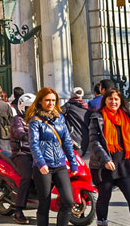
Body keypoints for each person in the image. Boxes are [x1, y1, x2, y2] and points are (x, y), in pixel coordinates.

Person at [88, 88, 130, 226]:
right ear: (105, 101)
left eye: (116, 99)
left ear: (120, 101)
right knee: (104, 198)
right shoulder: (97, 117)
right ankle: (102, 222)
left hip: (126, 166)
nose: (113, 102)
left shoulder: (126, 116)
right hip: (104, 167)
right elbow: (94, 142)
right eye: (110, 99)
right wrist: (106, 160)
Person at [26, 87, 77, 226]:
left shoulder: (60, 118)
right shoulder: (35, 120)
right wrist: (41, 163)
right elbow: (34, 144)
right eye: (47, 100)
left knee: (68, 201)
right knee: (44, 203)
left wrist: (73, 163)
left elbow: (66, 141)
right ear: (40, 101)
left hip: (60, 164)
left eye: (53, 100)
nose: (50, 103)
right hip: (43, 166)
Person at [10, 93, 36, 224]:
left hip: (37, 152)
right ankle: (18, 210)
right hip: (22, 153)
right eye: (29, 108)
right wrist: (28, 137)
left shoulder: (37, 119)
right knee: (27, 175)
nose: (32, 111)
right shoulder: (17, 119)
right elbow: (18, 132)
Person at [62, 87, 89, 156]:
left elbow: (57, 113)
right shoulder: (87, 107)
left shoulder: (68, 106)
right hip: (85, 136)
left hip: (73, 136)